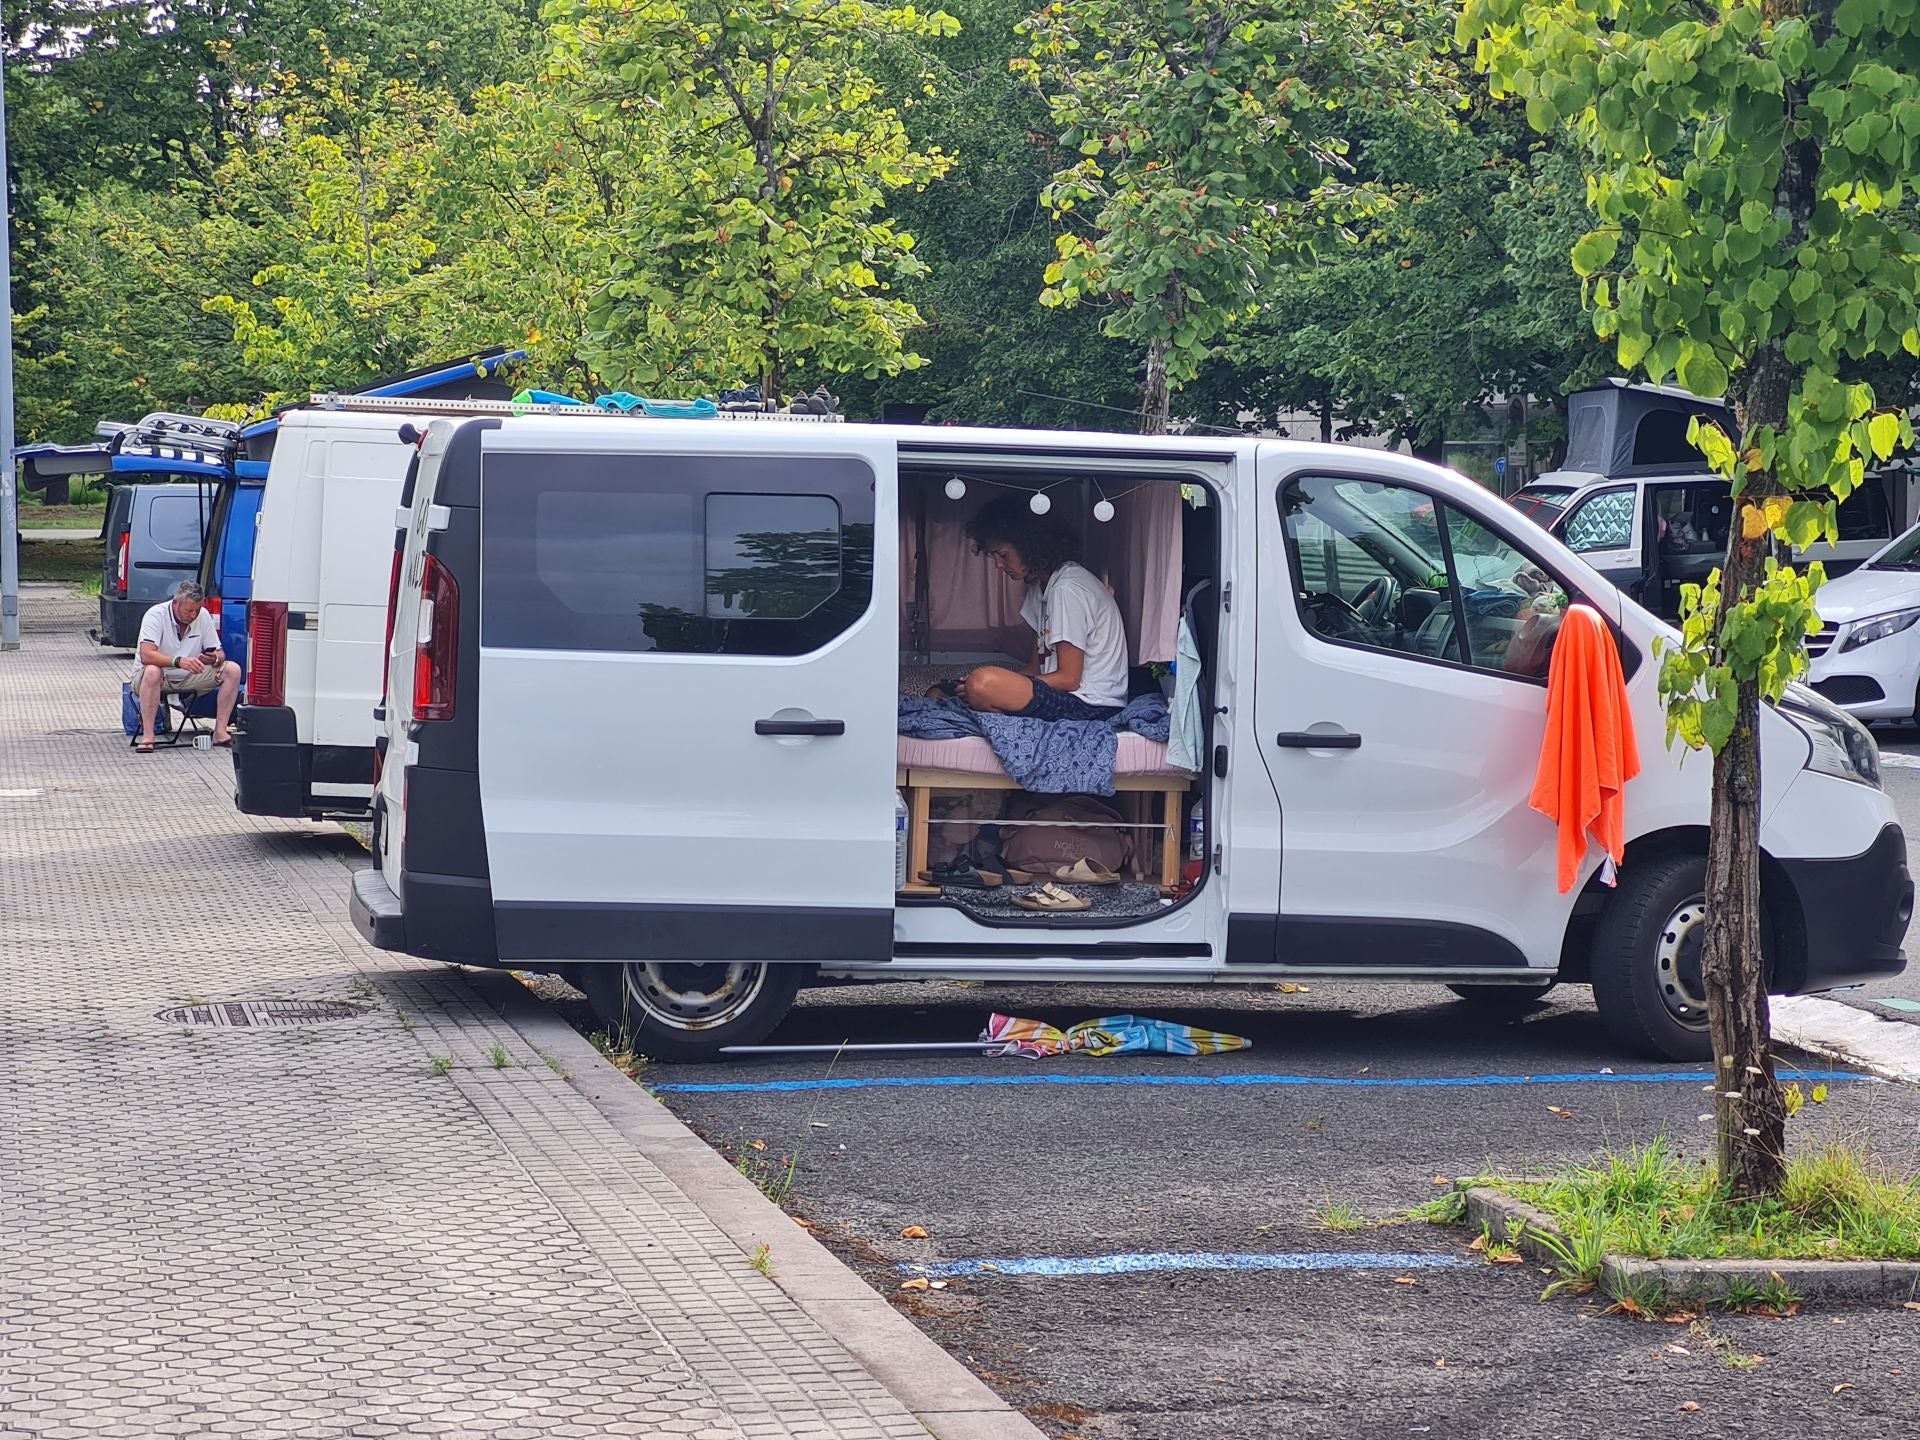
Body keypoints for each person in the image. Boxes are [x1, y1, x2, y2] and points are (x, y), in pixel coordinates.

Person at [940, 494, 1131, 720]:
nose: (999, 566)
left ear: (1030, 545)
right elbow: (1034, 669)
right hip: (1062, 695)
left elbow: (1069, 678)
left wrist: (997, 686)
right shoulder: (1040, 587)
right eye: (993, 558)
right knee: (940, 693)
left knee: (982, 684)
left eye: (1002, 555)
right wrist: (1001, 685)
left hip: (1090, 705)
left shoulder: (1067, 588)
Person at [132, 581, 241, 753]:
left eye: (197, 610)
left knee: (232, 669)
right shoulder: (155, 615)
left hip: (190, 676)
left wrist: (213, 658)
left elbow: (220, 653)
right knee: (153, 671)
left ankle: (220, 731)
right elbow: (147, 655)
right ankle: (148, 735)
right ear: (175, 603)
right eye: (188, 610)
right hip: (155, 677)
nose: (193, 615)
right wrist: (178, 661)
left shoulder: (203, 615)